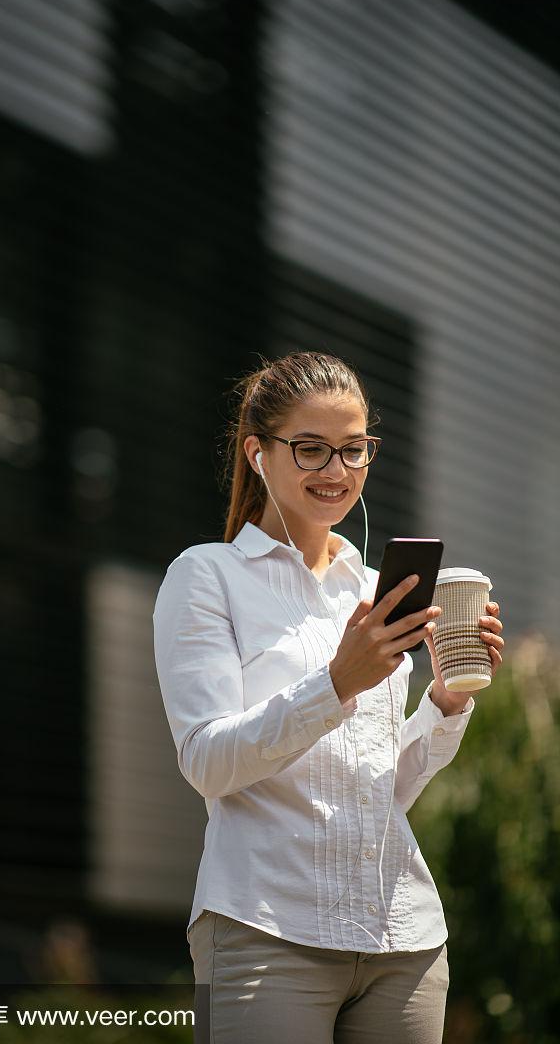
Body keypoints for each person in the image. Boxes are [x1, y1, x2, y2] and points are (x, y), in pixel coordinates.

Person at [152, 351, 505, 1044]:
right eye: (310, 449)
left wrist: (444, 701)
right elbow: (207, 763)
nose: (336, 472)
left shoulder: (375, 590)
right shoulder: (207, 577)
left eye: (353, 449)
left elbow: (385, 786)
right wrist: (337, 682)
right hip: (265, 929)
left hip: (401, 937)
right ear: (258, 453)